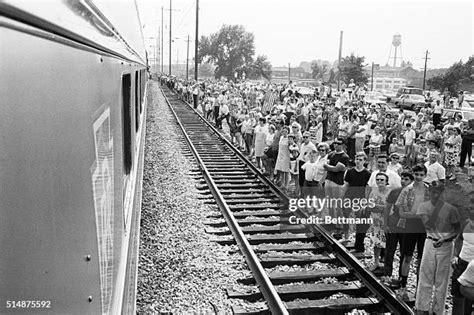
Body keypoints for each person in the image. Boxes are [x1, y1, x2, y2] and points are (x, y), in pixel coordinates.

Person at [415, 183, 461, 315]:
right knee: (425, 276)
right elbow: (428, 225)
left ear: (442, 193)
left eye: (438, 192)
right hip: (430, 242)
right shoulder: (424, 206)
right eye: (432, 192)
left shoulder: (451, 209)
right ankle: (422, 307)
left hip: (446, 245)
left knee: (442, 280)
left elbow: (456, 229)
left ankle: (437, 310)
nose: (434, 195)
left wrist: (445, 239)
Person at [395, 164, 431, 301]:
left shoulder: (429, 190)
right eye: (416, 174)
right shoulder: (407, 189)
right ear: (413, 174)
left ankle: (419, 288)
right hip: (410, 226)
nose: (419, 177)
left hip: (424, 227)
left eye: (421, 175)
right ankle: (403, 286)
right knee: (407, 256)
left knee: (422, 258)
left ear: (425, 175)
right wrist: (417, 215)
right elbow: (401, 211)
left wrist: (415, 215)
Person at [383, 172, 414, 285]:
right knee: (389, 250)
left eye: (406, 179)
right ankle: (387, 274)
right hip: (393, 223)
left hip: (406, 225)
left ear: (411, 181)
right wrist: (385, 224)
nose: (403, 181)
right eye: (402, 178)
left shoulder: (413, 194)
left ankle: (402, 277)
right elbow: (387, 208)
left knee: (404, 252)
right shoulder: (395, 192)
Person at [342, 151, 371, 245]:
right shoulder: (350, 171)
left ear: (364, 161)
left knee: (359, 219)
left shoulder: (367, 173)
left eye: (360, 160)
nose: (358, 161)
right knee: (346, 217)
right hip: (349, 197)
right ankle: (346, 236)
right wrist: (342, 197)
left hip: (360, 199)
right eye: (357, 159)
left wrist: (366, 201)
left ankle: (357, 238)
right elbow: (346, 185)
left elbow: (368, 189)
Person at [452, 194, 474, 315]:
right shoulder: (466, 223)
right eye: (469, 208)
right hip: (462, 263)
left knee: (469, 300)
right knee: (457, 297)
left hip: (473, 268)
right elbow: (459, 239)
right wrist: (455, 255)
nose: (471, 211)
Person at [323, 138, 350, 233]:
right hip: (328, 180)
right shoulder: (331, 154)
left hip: (337, 182)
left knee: (337, 205)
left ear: (343, 145)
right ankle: (331, 222)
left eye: (338, 143)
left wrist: (329, 167)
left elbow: (336, 169)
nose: (336, 145)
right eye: (335, 143)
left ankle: (339, 226)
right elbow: (326, 166)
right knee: (330, 203)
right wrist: (330, 167)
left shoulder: (344, 157)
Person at [368, 172, 391, 271]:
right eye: (377, 179)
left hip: (387, 222)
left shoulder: (390, 192)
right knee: (376, 242)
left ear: (386, 182)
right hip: (375, 221)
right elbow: (370, 205)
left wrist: (377, 207)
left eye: (382, 180)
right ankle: (376, 262)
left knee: (388, 243)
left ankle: (387, 264)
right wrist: (379, 207)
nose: (379, 181)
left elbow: (389, 208)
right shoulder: (373, 191)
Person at [298, 132, 317, 197]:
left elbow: (315, 155)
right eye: (304, 137)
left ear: (309, 138)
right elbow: (301, 154)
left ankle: (307, 194)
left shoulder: (312, 146)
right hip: (301, 162)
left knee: (306, 179)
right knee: (301, 179)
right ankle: (301, 193)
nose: (305, 138)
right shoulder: (302, 144)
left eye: (306, 137)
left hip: (308, 164)